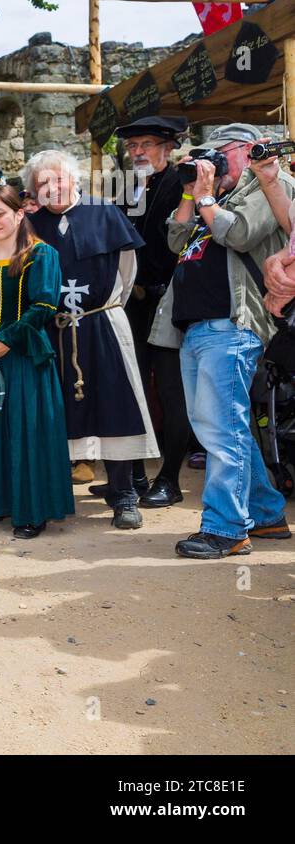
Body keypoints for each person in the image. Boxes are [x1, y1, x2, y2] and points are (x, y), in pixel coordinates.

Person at [150, 125, 294, 558]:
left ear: (247, 151)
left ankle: (226, 529)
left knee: (221, 427)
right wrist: (193, 191)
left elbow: (241, 233)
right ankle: (266, 515)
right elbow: (175, 239)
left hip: (233, 322)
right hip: (197, 327)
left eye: (219, 154)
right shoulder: (215, 198)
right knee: (222, 427)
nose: (211, 162)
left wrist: (208, 197)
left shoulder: (271, 184)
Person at [26, 148, 159, 530]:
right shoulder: (32, 227)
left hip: (101, 325)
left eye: (59, 178)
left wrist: (104, 307)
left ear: (75, 179)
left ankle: (123, 494)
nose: (53, 187)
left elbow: (126, 270)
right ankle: (48, 500)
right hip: (52, 331)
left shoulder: (105, 213)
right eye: (43, 183)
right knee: (52, 413)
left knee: (113, 406)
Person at [0, 187, 73, 539]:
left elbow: (44, 306)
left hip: (23, 355)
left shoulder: (41, 254)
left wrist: (6, 339)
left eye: (0, 214)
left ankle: (31, 510)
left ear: (20, 214)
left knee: (26, 431)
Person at [113, 115, 192, 508]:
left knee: (171, 392)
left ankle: (170, 479)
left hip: (172, 303)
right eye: (133, 146)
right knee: (133, 389)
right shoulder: (127, 189)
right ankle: (135, 476)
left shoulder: (183, 184)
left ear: (168, 147)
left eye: (145, 144)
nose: (138, 152)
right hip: (133, 304)